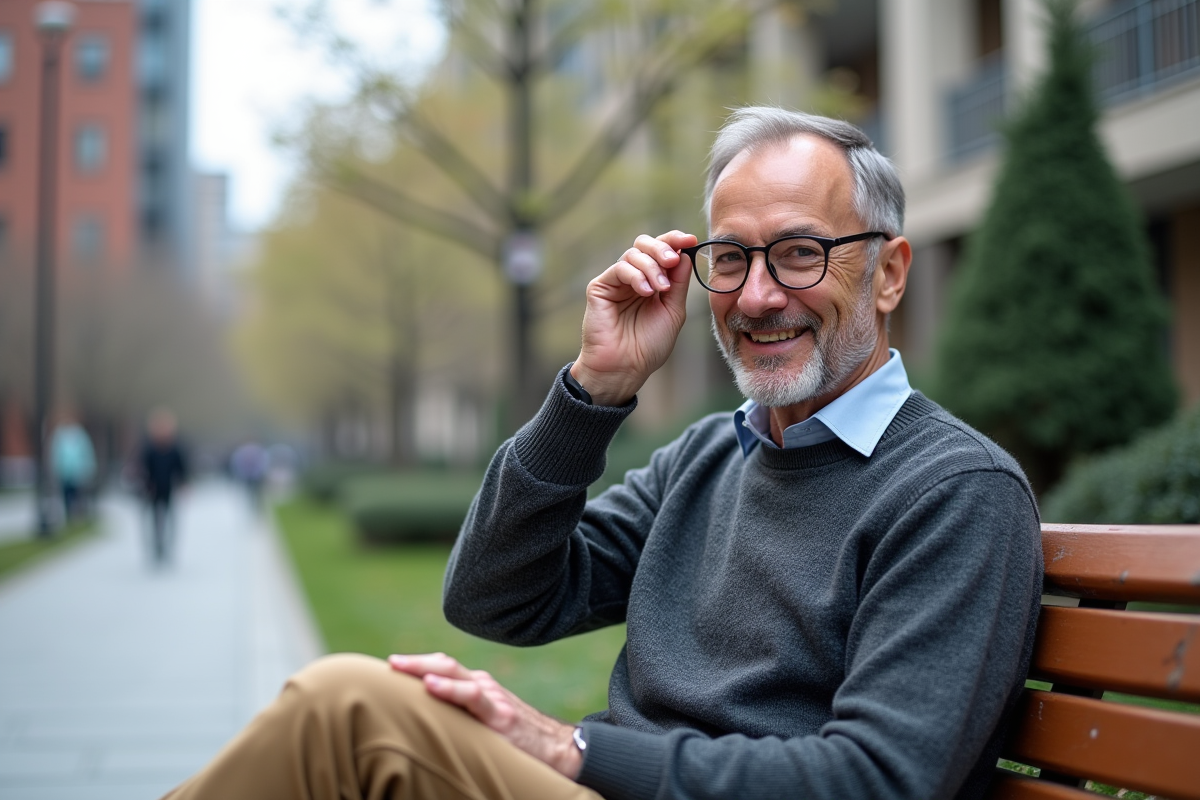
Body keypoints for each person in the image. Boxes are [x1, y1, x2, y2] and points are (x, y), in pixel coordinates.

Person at [162, 108, 1042, 800]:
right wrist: (594, 390)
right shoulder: (711, 456)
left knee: (345, 713)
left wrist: (573, 749)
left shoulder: (955, 492)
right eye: (730, 260)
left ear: (888, 273)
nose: (759, 294)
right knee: (343, 723)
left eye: (801, 254)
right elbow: (494, 600)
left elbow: (880, 782)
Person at [138, 408, 188, 565]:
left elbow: (181, 469)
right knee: (154, 520)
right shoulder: (149, 449)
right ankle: (157, 545)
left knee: (170, 519)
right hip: (152, 490)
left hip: (169, 489)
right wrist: (145, 484)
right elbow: (143, 469)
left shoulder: (174, 449)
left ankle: (168, 546)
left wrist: (183, 485)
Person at [50, 414, 96, 521]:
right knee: (66, 495)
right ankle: (69, 515)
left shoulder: (80, 435)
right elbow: (55, 454)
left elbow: (87, 453)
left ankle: (77, 515)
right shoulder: (59, 435)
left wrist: (88, 469)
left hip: (77, 473)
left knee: (77, 495)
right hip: (64, 473)